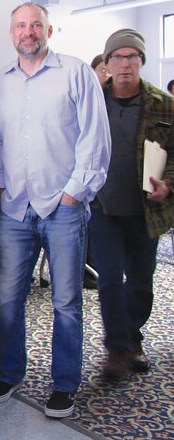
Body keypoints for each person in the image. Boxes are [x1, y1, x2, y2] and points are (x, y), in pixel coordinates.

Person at [0, 2, 111, 418]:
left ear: (49, 30)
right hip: (15, 208)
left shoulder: (76, 73)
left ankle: (64, 384)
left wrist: (75, 194)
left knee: (66, 303)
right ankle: (8, 372)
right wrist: (2, 184)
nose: (28, 32)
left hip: (63, 207)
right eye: (20, 25)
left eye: (35, 25)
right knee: (7, 299)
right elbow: (3, 141)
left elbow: (95, 138)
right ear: (11, 33)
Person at [90, 29, 174, 380]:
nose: (125, 64)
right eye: (118, 57)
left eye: (132, 57)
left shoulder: (163, 103)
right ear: (107, 64)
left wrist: (168, 184)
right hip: (102, 206)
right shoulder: (93, 101)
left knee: (141, 280)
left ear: (141, 61)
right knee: (109, 278)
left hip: (146, 210)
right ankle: (117, 349)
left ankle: (133, 338)